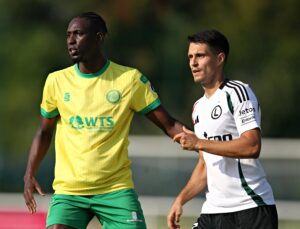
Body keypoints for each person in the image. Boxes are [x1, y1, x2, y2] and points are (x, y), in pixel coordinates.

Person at [23, 12, 185, 229]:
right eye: (68, 35)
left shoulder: (129, 80)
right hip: (70, 191)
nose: (71, 40)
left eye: (79, 34)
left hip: (115, 189)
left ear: (99, 37)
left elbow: (170, 125)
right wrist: (29, 172)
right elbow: (44, 132)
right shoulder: (56, 81)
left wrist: (207, 145)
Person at [167, 30, 278, 229]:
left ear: (219, 59)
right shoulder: (198, 108)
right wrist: (180, 200)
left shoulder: (238, 92)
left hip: (250, 209)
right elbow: (205, 165)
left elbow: (252, 146)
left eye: (200, 56)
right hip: (213, 211)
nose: (193, 63)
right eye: (190, 57)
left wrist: (199, 142)